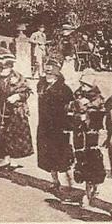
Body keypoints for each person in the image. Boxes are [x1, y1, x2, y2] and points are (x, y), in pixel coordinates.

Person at [36, 61, 75, 200]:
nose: (48, 76)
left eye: (51, 74)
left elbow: (71, 111)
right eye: (46, 73)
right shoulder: (42, 86)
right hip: (45, 126)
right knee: (48, 155)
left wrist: (68, 127)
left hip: (59, 128)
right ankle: (55, 181)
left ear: (57, 75)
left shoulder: (64, 90)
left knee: (62, 156)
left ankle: (67, 184)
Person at [69, 70, 107, 208]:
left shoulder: (98, 99)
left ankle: (90, 191)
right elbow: (69, 109)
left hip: (92, 136)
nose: (83, 88)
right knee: (81, 160)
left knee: (92, 161)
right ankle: (88, 190)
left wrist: (88, 113)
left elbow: (101, 117)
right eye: (82, 84)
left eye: (85, 85)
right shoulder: (77, 95)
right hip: (79, 134)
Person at [0, 59, 34, 170]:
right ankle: (5, 159)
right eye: (1, 67)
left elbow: (26, 91)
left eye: (4, 67)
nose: (2, 69)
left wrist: (17, 96)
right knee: (2, 135)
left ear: (10, 67)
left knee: (15, 136)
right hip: (3, 111)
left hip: (16, 112)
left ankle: (13, 161)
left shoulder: (17, 77)